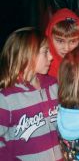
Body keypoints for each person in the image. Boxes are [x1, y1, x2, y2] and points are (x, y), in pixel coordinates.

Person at [0, 27, 61, 160]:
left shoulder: (53, 86)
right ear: (27, 54)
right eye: (45, 52)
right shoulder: (6, 98)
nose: (51, 57)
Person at [45, 8, 79, 78]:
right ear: (49, 37)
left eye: (73, 41)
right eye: (60, 41)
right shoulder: (42, 66)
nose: (66, 48)